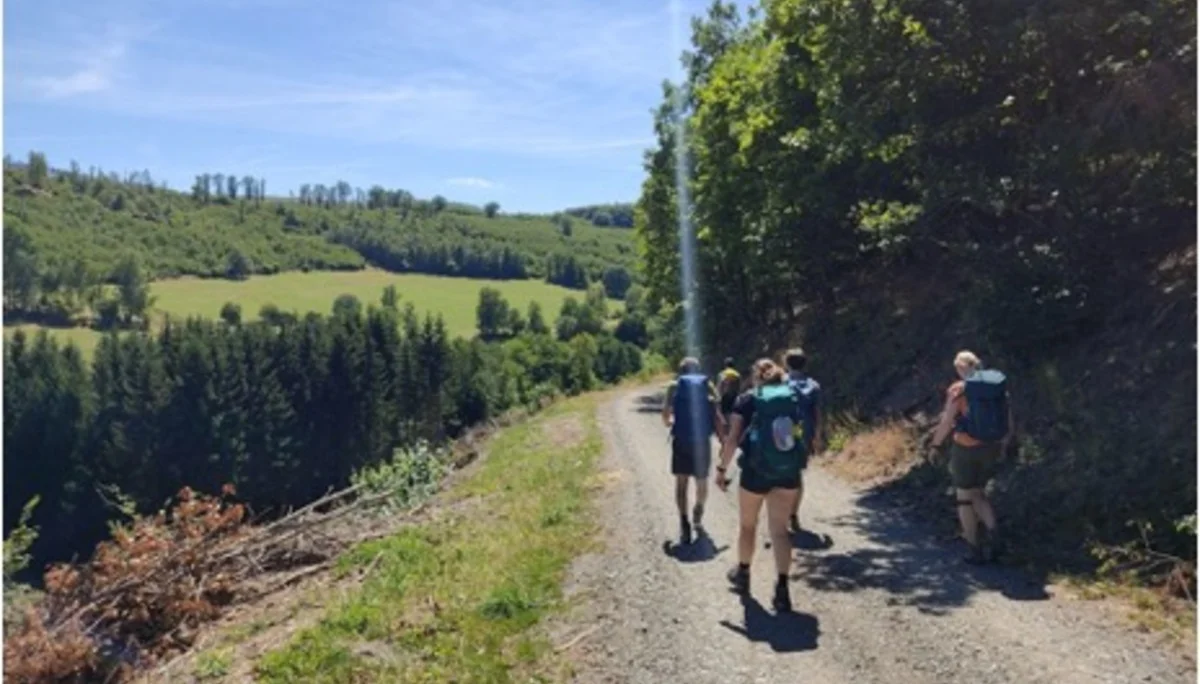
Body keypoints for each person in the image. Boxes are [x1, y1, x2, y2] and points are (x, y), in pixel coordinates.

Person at [715, 358, 808, 613]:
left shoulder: (747, 400)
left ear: (756, 377)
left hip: (755, 473)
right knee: (780, 530)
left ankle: (743, 575)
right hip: (787, 471)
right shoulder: (792, 398)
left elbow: (732, 440)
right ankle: (782, 589)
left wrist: (722, 469)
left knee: (748, 525)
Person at [931, 350, 1013, 564]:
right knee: (978, 492)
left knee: (964, 497)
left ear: (959, 368)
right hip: (992, 447)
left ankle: (973, 548)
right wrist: (1003, 445)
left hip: (965, 448)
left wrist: (935, 444)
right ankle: (994, 532)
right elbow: (1008, 419)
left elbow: (947, 421)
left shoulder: (959, 390)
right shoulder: (997, 387)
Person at [662, 357, 725, 545]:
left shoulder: (674, 386)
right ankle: (698, 511)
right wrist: (722, 438)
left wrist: (671, 423)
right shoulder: (707, 384)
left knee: (681, 484)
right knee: (701, 480)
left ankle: (684, 522)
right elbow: (717, 411)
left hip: (681, 440)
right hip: (702, 441)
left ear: (681, 371)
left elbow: (666, 414)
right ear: (698, 369)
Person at [782, 348, 824, 533]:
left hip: (783, 431)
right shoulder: (813, 385)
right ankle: (793, 514)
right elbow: (817, 413)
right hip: (804, 431)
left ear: (786, 363)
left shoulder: (780, 383)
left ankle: (780, 515)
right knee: (797, 474)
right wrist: (817, 436)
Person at [716, 357, 742, 439]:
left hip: (724, 396)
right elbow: (739, 387)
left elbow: (719, 386)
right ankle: (732, 431)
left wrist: (718, 396)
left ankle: (725, 433)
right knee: (732, 413)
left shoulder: (722, 373)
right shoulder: (737, 374)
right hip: (734, 396)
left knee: (724, 414)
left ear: (725, 365)